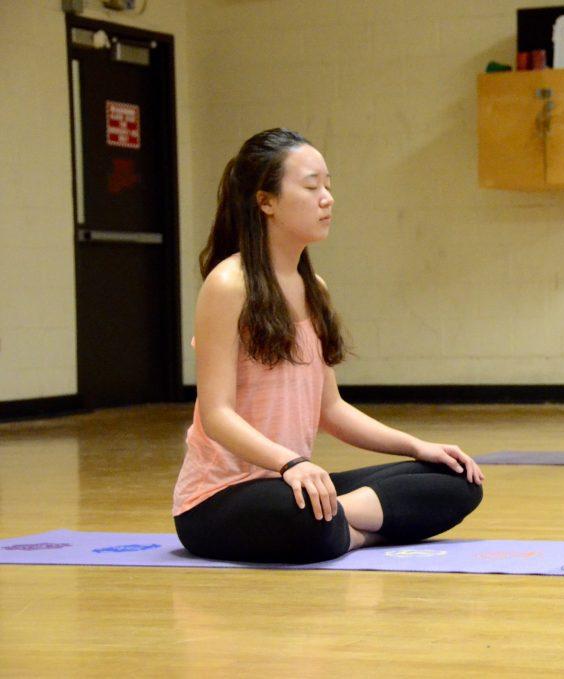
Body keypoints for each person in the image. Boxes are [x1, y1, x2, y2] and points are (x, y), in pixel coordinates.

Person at [173, 128, 483, 564]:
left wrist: (417, 447)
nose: (327, 198)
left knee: (456, 480)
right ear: (266, 201)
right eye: (311, 186)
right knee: (307, 518)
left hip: (293, 485)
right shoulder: (228, 284)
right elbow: (216, 414)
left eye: (328, 186)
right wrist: (290, 463)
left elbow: (331, 410)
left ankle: (341, 525)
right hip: (221, 500)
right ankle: (355, 530)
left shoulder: (312, 286)